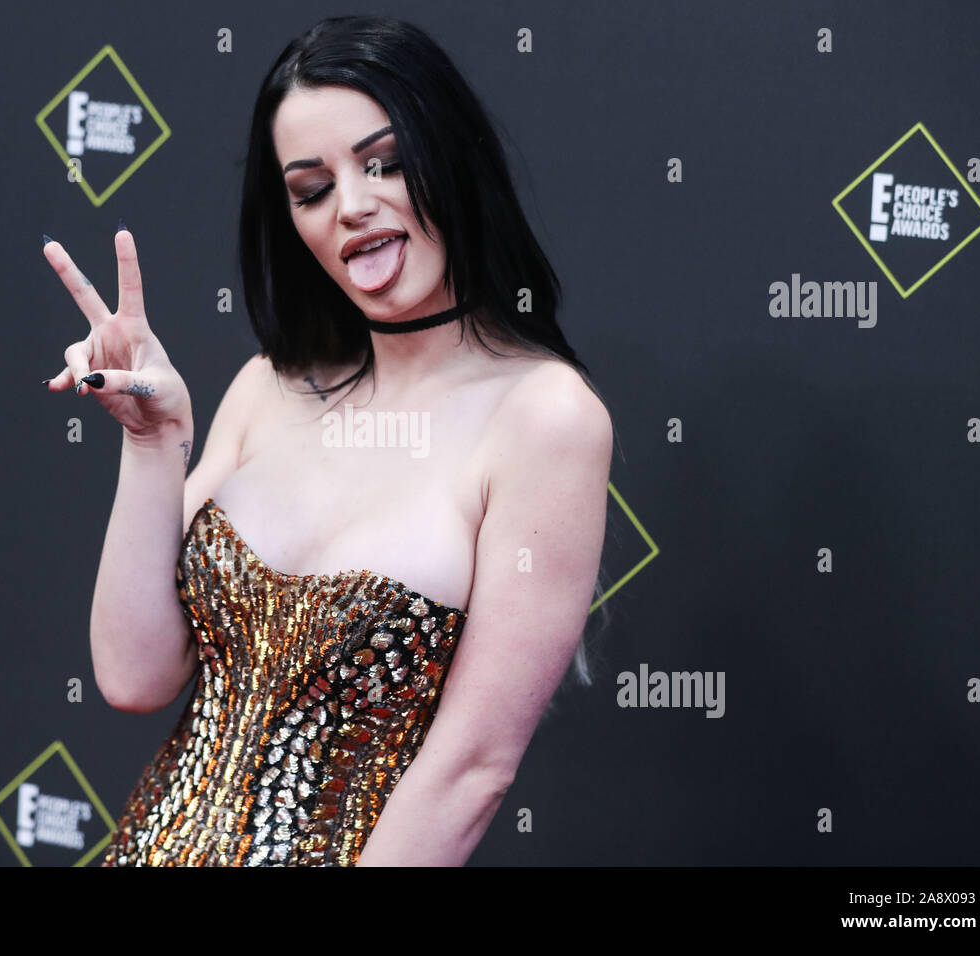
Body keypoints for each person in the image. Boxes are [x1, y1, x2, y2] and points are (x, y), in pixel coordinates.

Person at [40, 15, 614, 866]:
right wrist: (153, 446)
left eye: (383, 162)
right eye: (311, 189)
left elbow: (470, 773)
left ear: (449, 155)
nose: (352, 206)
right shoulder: (268, 385)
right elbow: (133, 677)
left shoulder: (545, 419)